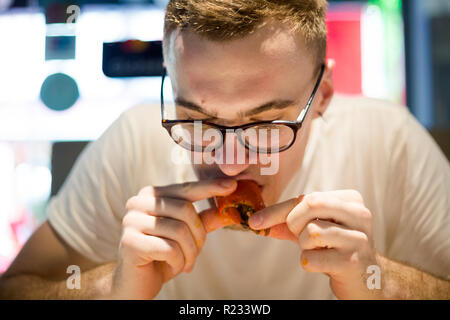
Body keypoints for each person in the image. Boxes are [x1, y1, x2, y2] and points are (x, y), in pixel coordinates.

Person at [0, 0, 449, 299]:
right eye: (198, 119)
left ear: (323, 98)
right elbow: (17, 288)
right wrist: (111, 287)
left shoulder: (390, 144)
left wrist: (381, 281)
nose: (229, 162)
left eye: (266, 124)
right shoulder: (133, 140)